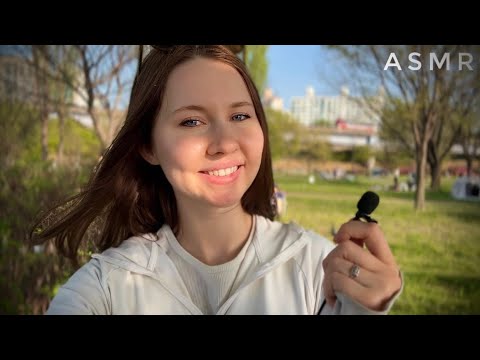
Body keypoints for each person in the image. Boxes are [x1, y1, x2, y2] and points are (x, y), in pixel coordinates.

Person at [30, 45, 402, 315]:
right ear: (148, 146)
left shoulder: (316, 267)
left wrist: (366, 309)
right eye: (192, 121)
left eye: (241, 116)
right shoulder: (105, 287)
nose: (224, 144)